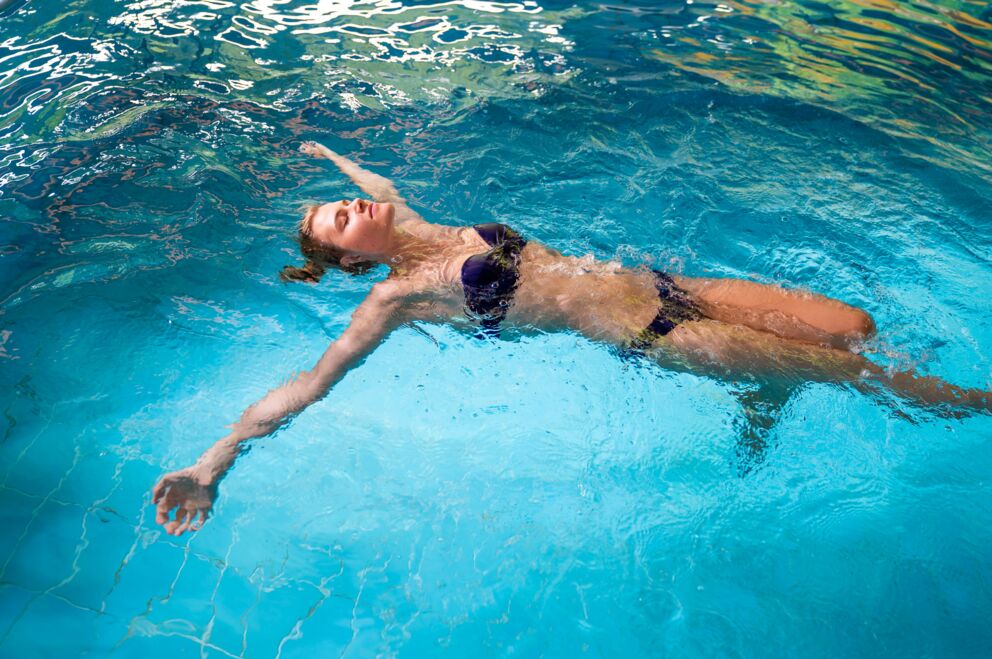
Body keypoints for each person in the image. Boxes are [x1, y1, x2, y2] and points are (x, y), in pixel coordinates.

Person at [152, 140, 990, 536]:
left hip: (668, 284)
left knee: (853, 326)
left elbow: (377, 180)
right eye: (341, 219)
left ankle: (763, 391)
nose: (354, 206)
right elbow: (312, 381)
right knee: (858, 372)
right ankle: (978, 403)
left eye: (344, 203)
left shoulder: (407, 219)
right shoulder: (395, 299)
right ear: (348, 259)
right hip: (652, 333)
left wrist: (332, 157)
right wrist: (214, 459)